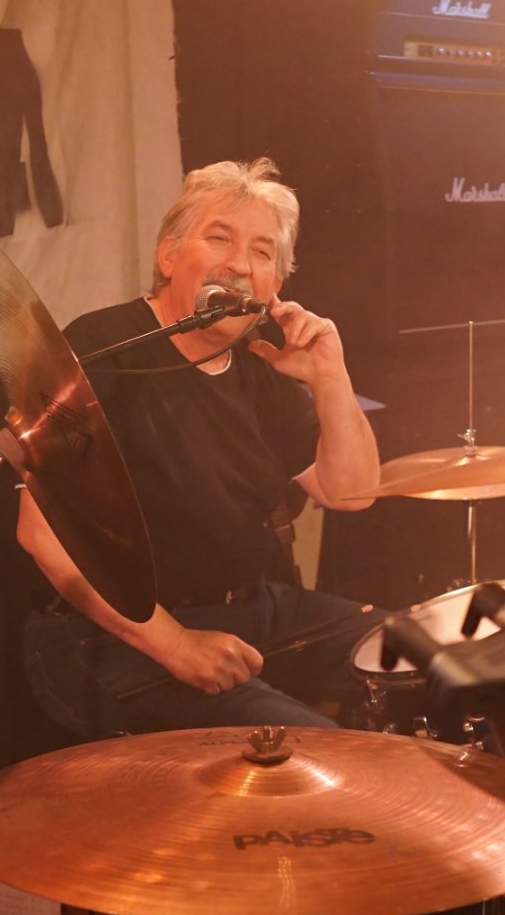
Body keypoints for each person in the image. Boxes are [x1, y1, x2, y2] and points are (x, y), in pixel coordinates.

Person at [19, 157, 381, 740]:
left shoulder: (261, 368)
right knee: (319, 753)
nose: (239, 263)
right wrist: (176, 644)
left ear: (274, 287)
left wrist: (330, 377)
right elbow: (42, 536)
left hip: (253, 610)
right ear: (168, 257)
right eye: (219, 238)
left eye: (262, 252)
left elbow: (352, 493)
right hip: (121, 636)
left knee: (424, 657)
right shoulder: (103, 348)